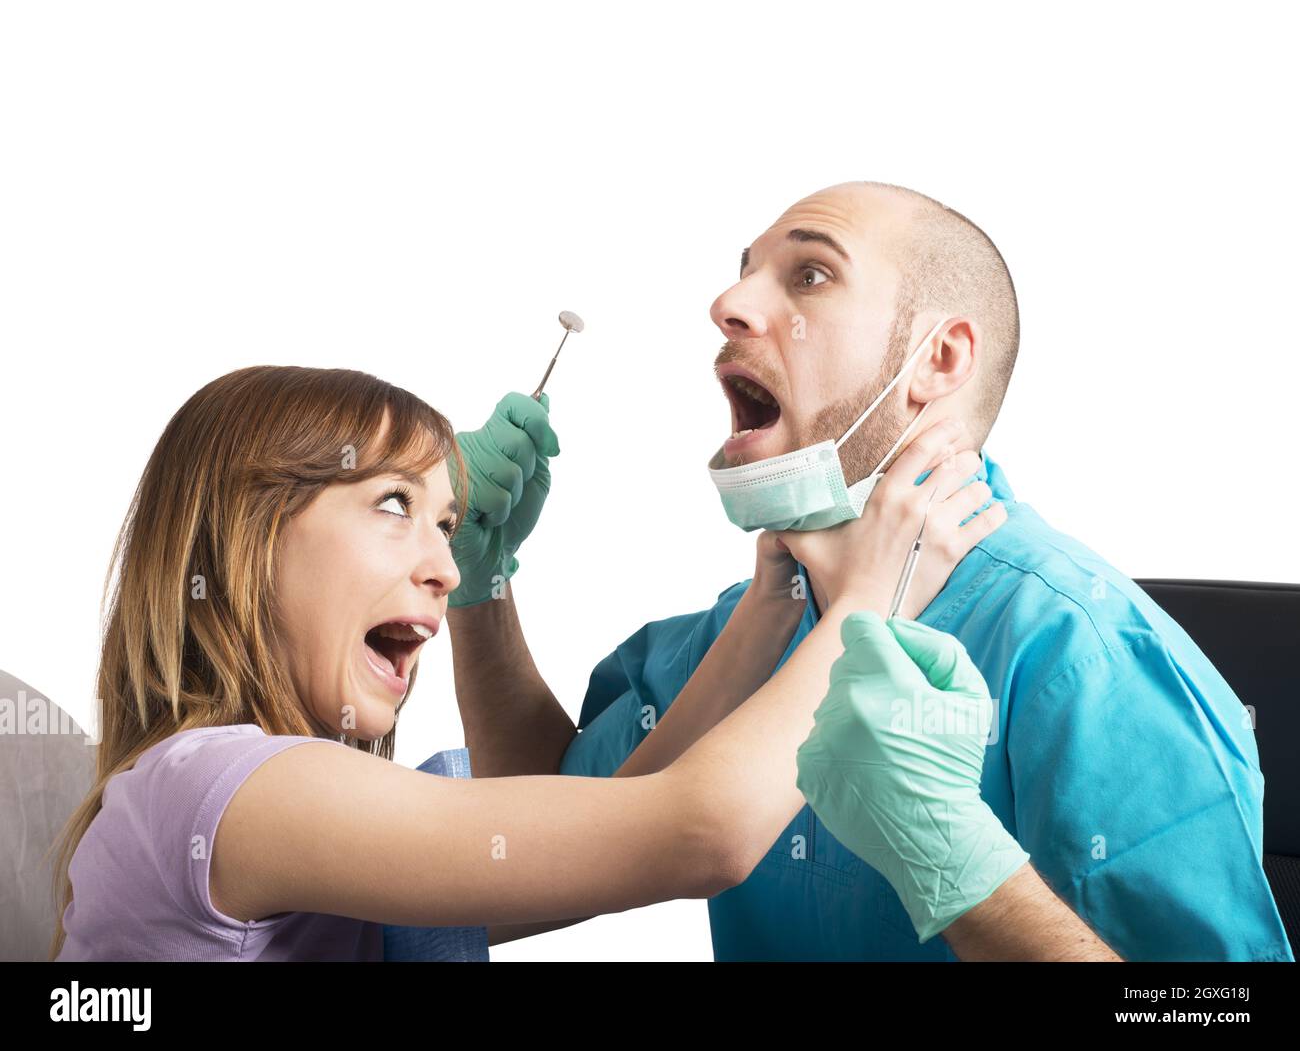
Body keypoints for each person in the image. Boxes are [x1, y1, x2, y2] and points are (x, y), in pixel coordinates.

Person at [450, 181, 1293, 962]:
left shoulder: (1084, 655)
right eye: (742, 275)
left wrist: (962, 867)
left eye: (809, 275)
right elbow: (541, 836)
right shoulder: (741, 634)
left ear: (940, 359)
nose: (727, 303)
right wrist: (479, 585)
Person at [49, 364, 995, 961]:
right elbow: (693, 832)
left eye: (449, 523)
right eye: (392, 505)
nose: (445, 563)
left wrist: (772, 600)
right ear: (248, 537)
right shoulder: (227, 789)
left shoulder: (298, 831)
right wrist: (873, 602)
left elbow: (626, 805)